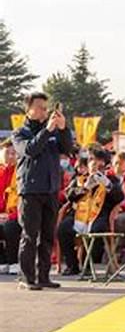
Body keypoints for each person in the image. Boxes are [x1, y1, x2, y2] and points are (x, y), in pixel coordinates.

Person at [12, 93, 73, 290]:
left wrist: (63, 129)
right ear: (28, 109)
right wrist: (47, 130)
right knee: (30, 235)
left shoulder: (53, 132)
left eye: (46, 108)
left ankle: (44, 276)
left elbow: (68, 148)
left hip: (51, 189)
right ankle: (26, 277)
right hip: (30, 190)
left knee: (47, 235)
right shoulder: (20, 133)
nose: (44, 111)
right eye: (39, 107)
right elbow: (30, 150)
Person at [57, 149, 124, 274]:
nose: (95, 167)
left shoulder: (111, 180)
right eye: (92, 163)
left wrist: (107, 185)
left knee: (97, 230)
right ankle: (73, 265)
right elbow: (68, 195)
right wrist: (84, 188)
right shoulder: (80, 179)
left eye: (99, 165)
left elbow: (119, 197)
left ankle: (88, 265)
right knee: (63, 228)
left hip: (99, 215)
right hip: (78, 216)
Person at [0, 140, 22, 275]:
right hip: (1, 214)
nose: (10, 156)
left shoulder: (21, 172)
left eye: (14, 153)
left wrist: (10, 216)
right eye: (7, 153)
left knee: (10, 227)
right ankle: (2, 261)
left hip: (17, 214)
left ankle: (14, 261)